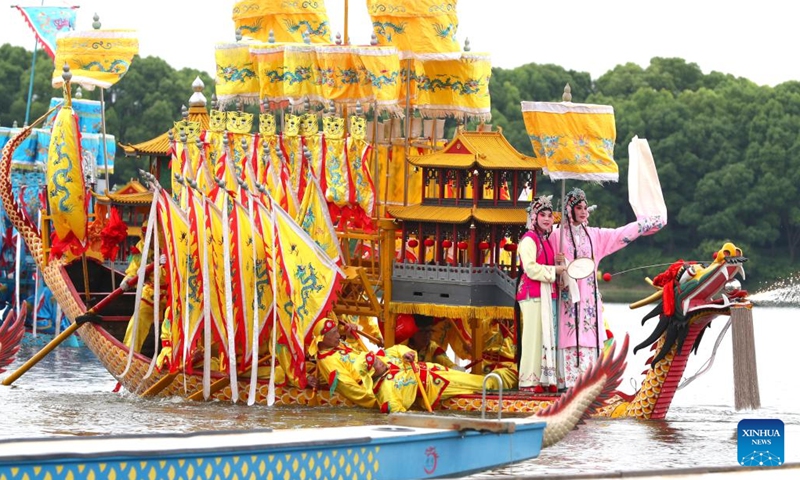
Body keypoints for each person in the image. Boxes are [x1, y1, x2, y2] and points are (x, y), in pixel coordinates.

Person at [553, 187, 664, 389]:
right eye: (579, 208)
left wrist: (647, 223)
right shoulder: (556, 236)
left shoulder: (594, 235)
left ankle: (589, 382)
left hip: (589, 297)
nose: (583, 211)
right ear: (569, 210)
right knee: (567, 333)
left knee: (590, 333)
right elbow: (544, 263)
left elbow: (621, 233)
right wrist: (557, 271)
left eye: (585, 207)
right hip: (566, 297)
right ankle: (566, 383)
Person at [310, 318, 505, 413]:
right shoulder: (330, 363)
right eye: (334, 333)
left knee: (475, 380)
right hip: (430, 386)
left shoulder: (340, 346)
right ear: (322, 339)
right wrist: (378, 397)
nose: (338, 335)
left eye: (337, 331)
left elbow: (392, 351)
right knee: (479, 384)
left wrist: (405, 355)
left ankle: (502, 380)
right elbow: (352, 390)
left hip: (426, 371)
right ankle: (499, 382)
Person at [516, 195, 566, 393]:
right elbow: (530, 268)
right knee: (533, 337)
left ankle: (545, 379)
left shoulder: (546, 240)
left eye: (549, 215)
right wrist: (554, 270)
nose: (546, 219)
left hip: (547, 293)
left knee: (547, 336)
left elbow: (550, 267)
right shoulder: (529, 239)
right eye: (542, 215)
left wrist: (559, 264)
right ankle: (529, 381)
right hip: (532, 294)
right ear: (534, 217)